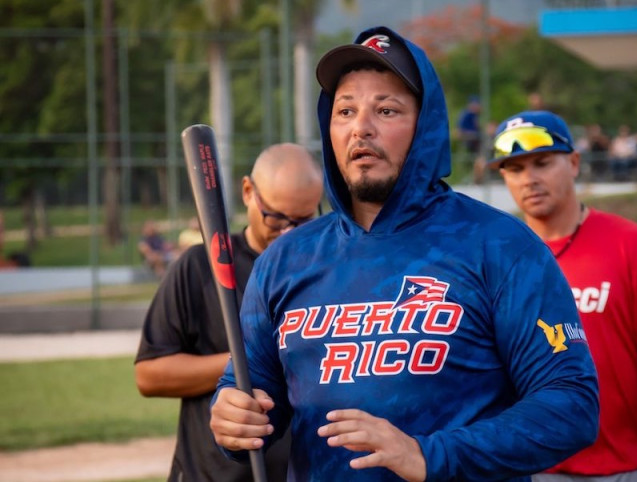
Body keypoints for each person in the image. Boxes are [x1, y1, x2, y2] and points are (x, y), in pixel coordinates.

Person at [209, 26, 599, 482]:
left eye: (387, 110)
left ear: (425, 127)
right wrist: (232, 417)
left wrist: (430, 454)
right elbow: (250, 395)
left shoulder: (500, 246)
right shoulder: (285, 259)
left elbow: (571, 405)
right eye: (345, 110)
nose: (361, 127)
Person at [488, 110, 637, 482]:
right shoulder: (495, 256)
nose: (529, 178)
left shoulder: (634, 245)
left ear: (575, 163)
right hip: (523, 467)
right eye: (514, 169)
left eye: (543, 163)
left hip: (619, 470)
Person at [134, 143, 324, 482]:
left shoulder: (325, 272)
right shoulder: (199, 267)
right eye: (277, 218)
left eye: (303, 220)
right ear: (248, 192)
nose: (289, 233)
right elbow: (150, 375)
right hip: (211, 473)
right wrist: (251, 365)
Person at [456, 95, 486, 184]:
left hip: (477, 142)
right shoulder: (466, 115)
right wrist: (475, 134)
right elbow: (459, 132)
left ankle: (478, 178)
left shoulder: (475, 116)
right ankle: (477, 179)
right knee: (481, 158)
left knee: (482, 157)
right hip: (470, 143)